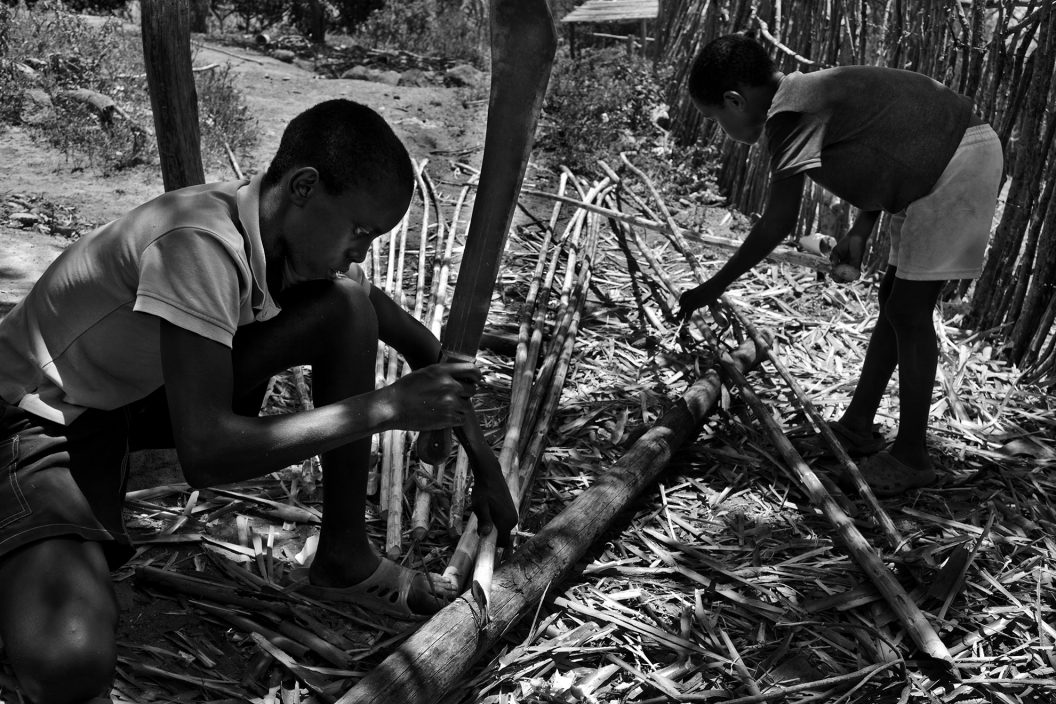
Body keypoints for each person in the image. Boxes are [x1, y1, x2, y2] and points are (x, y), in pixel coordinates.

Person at [0, 99, 518, 704]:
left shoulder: (272, 239)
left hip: (115, 411)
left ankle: (345, 557)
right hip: (31, 420)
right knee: (69, 665)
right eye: (359, 232)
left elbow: (417, 344)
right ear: (304, 187)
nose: (361, 251)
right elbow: (207, 456)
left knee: (347, 307)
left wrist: (482, 460)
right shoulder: (199, 243)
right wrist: (386, 407)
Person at [677, 34, 1003, 498]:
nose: (720, 127)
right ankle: (857, 424)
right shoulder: (803, 93)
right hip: (938, 162)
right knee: (894, 300)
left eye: (716, 118)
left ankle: (912, 456)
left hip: (956, 163)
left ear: (735, 99)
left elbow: (777, 222)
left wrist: (715, 285)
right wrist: (861, 229)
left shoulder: (790, 113)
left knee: (909, 312)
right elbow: (888, 146)